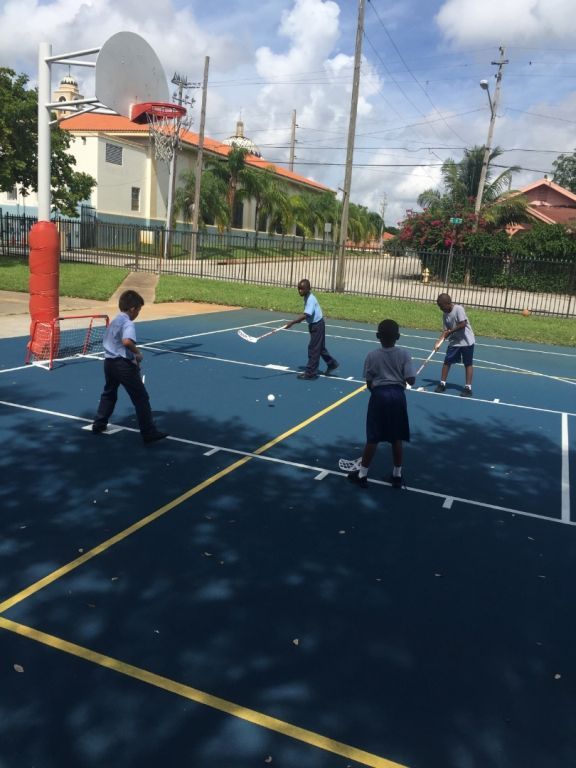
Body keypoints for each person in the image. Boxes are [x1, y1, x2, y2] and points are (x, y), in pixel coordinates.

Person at [92, 289, 168, 443]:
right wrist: (137, 353)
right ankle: (148, 431)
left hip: (109, 362)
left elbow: (109, 341)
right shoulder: (128, 323)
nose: (138, 313)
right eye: (139, 310)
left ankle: (99, 423)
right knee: (141, 397)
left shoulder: (115, 321)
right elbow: (127, 341)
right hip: (122, 364)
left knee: (109, 392)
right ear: (133, 308)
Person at [347, 319, 415, 489]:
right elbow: (411, 380)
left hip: (379, 396)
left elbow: (369, 382)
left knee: (373, 436)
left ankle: (362, 475)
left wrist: (377, 391)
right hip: (397, 396)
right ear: (398, 336)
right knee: (396, 437)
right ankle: (397, 475)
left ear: (378, 336)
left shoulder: (372, 355)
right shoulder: (405, 354)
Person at [284, 278, 339, 380]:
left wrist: (292, 322)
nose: (300, 291)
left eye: (302, 289)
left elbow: (307, 314)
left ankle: (311, 373)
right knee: (320, 348)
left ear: (308, 289)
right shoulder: (307, 297)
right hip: (315, 325)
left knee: (313, 349)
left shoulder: (310, 299)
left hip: (317, 326)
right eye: (299, 289)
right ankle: (332, 363)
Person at [434, 293, 475, 397]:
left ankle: (468, 387)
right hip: (455, 342)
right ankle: (442, 384)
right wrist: (438, 342)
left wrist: (450, 332)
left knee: (468, 363)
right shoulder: (445, 314)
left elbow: (463, 324)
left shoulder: (458, 309)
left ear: (448, 303)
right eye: (439, 306)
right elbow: (445, 330)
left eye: (441, 306)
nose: (440, 308)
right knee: (447, 361)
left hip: (467, 341)